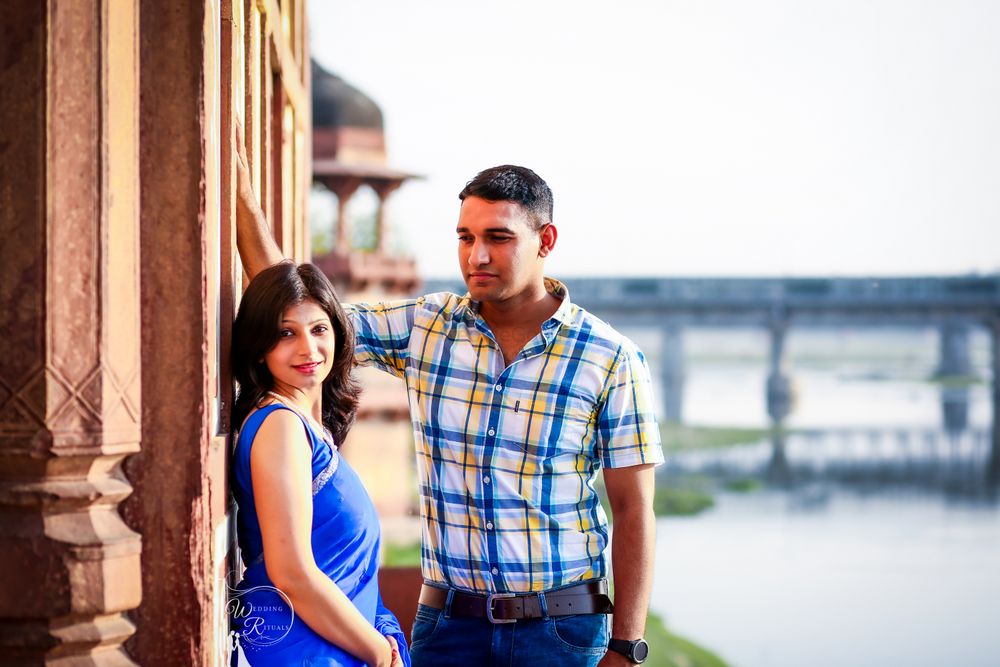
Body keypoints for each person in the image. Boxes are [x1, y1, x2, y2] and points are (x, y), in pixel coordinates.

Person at [236, 139, 662, 665]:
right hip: (448, 629)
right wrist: (243, 204)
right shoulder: (427, 326)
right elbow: (301, 314)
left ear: (545, 239)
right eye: (465, 237)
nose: (475, 256)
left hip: (562, 632)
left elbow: (633, 508)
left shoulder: (610, 358)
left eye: (497, 238)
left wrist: (627, 645)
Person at [229, 261, 411, 667]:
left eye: (318, 329)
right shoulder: (280, 426)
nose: (308, 349)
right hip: (303, 648)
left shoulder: (305, 426)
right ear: (259, 347)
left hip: (330, 642)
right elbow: (292, 573)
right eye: (285, 333)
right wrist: (380, 653)